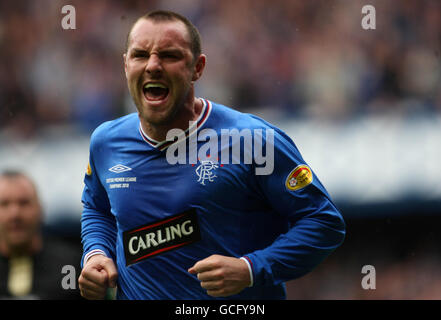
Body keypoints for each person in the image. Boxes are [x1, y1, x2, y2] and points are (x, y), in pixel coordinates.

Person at [79, 10, 345, 300]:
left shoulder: (254, 140)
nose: (153, 66)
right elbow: (97, 207)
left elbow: (323, 221)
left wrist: (251, 268)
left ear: (197, 68)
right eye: (140, 55)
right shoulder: (106, 142)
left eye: (169, 56)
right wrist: (95, 253)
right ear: (126, 64)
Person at [0, 170, 82, 299]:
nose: (15, 214)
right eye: (4, 204)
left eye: (24, 203)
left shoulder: (71, 265)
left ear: (40, 209)